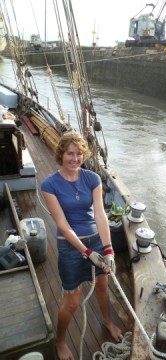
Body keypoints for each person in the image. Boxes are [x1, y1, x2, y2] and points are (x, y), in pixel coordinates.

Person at [41, 131, 122, 360]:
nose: (74, 159)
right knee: (73, 301)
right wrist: (86, 252)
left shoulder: (93, 179)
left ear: (83, 155)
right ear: (61, 154)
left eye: (79, 154)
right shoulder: (49, 185)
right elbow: (63, 226)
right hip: (70, 246)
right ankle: (60, 341)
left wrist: (108, 250)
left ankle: (107, 321)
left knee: (102, 286)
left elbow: (100, 215)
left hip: (96, 240)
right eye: (70, 154)